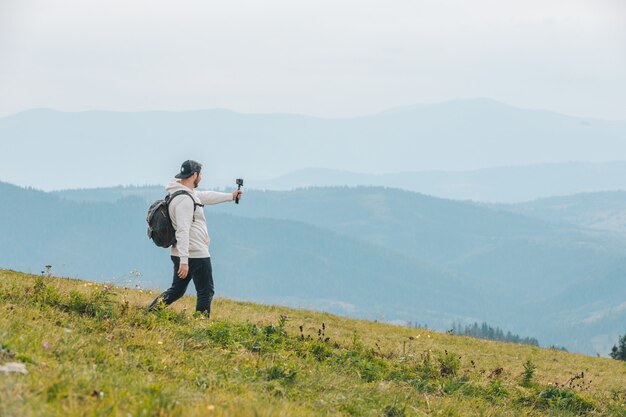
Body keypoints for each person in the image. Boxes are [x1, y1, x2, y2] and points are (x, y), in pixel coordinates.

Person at [148, 160, 242, 317]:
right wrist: (184, 261)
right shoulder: (185, 200)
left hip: (180, 252)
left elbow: (204, 196)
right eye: (200, 175)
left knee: (176, 290)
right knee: (206, 291)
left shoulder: (181, 193)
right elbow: (183, 231)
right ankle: (200, 325)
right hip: (195, 253)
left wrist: (230, 196)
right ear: (194, 175)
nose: (201, 178)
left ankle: (149, 313)